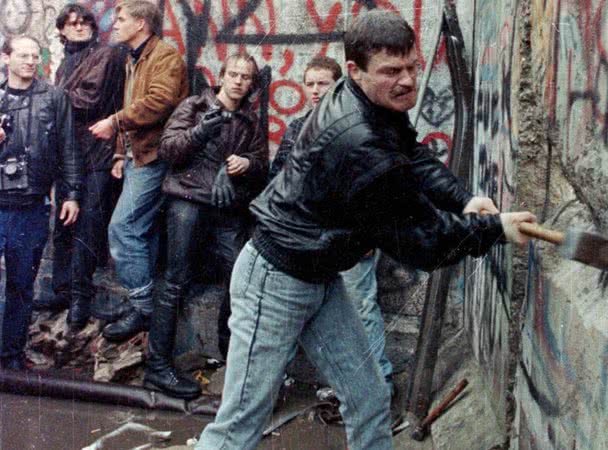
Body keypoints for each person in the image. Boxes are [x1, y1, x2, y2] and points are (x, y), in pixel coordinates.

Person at [195, 10, 535, 450]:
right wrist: (495, 229)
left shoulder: (368, 101)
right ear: (355, 71)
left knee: (370, 398)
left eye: (412, 66)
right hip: (274, 282)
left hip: (319, 274)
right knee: (240, 424)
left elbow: (410, 152)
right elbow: (423, 243)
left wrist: (463, 200)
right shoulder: (358, 143)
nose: (409, 80)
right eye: (392, 71)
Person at [147, 52, 269, 399]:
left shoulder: (249, 121)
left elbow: (262, 164)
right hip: (187, 201)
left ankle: (233, 364)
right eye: (233, 74)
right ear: (222, 75)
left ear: (251, 84)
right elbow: (168, 150)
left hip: (225, 208)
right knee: (174, 281)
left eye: (246, 77)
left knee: (240, 279)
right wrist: (201, 132)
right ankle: (158, 368)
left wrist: (245, 164)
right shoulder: (195, 107)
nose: (238, 82)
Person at [269, 56, 394, 392]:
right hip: (307, 238)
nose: (314, 90)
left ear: (339, 85)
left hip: (349, 237)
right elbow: (276, 179)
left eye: (321, 83)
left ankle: (378, 383)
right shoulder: (298, 128)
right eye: (309, 84)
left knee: (360, 307)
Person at [89, 0, 188, 342]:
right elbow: (133, 104)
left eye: (121, 19)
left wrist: (114, 124)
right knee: (141, 232)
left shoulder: (165, 57)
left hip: (154, 158)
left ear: (142, 23)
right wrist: (120, 154)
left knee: (123, 228)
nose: (114, 24)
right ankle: (141, 305)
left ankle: (144, 309)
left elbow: (159, 101)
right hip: (136, 157)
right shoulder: (136, 57)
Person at [32, 4, 127, 332]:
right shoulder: (64, 62)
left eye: (84, 22)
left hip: (96, 153)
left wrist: (50, 97)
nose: (79, 27)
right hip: (66, 154)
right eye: (71, 24)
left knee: (88, 226)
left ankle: (80, 299)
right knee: (63, 224)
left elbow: (93, 99)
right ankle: (60, 291)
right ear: (61, 30)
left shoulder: (106, 55)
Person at [0, 36, 81, 369]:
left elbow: (68, 149)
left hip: (31, 207)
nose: (30, 62)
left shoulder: (54, 97)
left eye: (35, 56)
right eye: (22, 55)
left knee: (21, 285)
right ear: (6, 58)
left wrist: (71, 194)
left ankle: (11, 356)